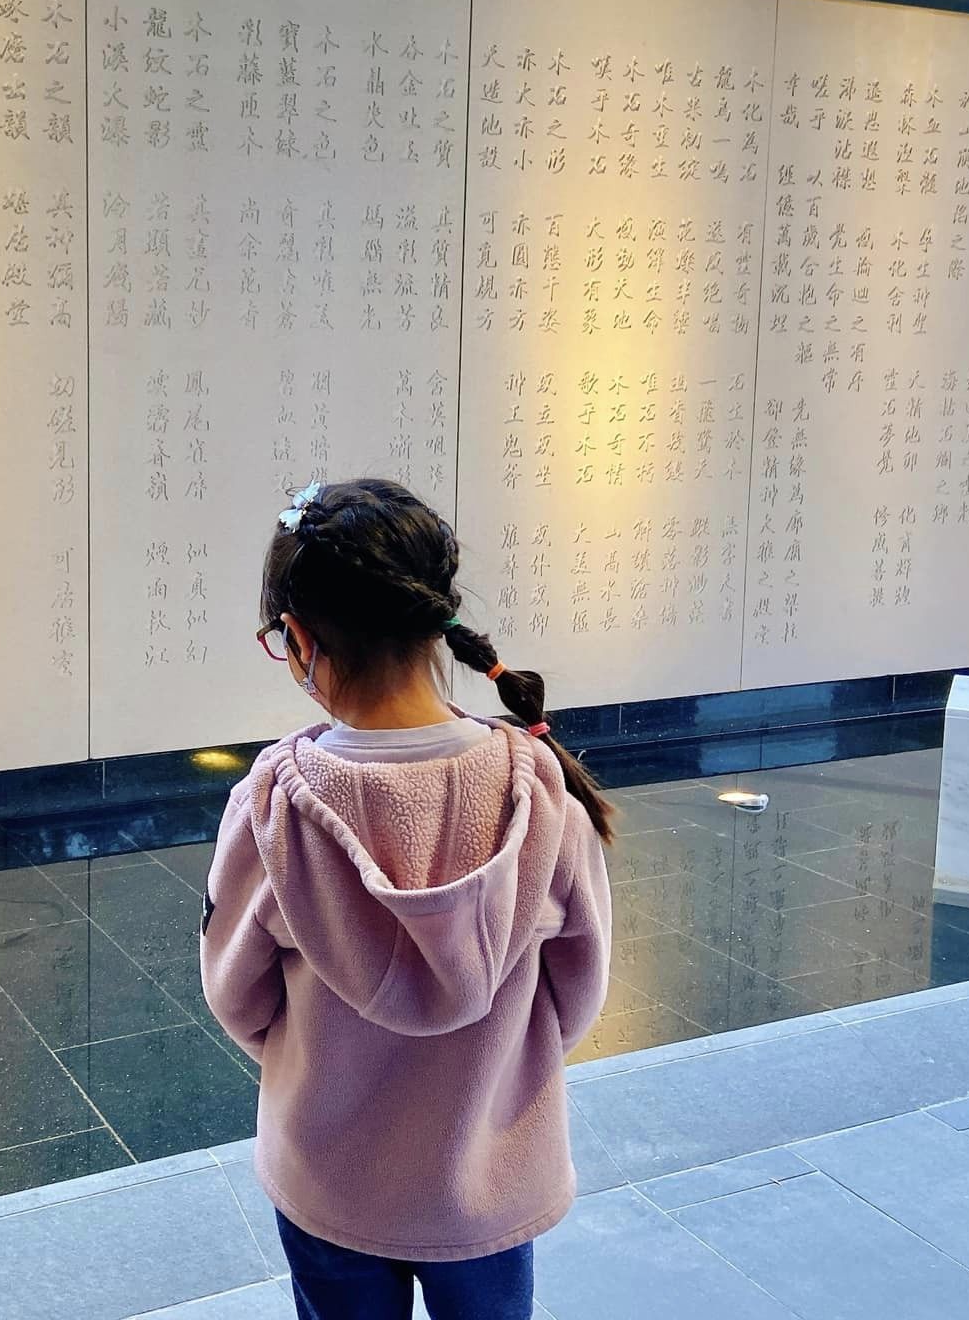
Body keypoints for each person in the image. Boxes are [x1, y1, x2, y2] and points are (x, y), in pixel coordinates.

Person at [201, 478, 615, 1320]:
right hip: (490, 1179)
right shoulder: (541, 799)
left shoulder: (273, 809)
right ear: (436, 622)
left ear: (300, 639)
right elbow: (578, 995)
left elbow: (236, 995)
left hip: (330, 1177)